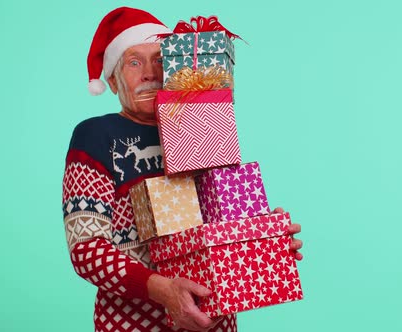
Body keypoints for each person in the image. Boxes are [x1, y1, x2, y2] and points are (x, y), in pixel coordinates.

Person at [62, 7, 303, 332]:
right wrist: (165, 290)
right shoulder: (95, 136)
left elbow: (224, 225)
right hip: (133, 324)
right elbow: (87, 249)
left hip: (214, 322)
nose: (149, 73)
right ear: (113, 81)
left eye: (160, 60)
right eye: (134, 62)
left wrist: (263, 240)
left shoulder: (202, 126)